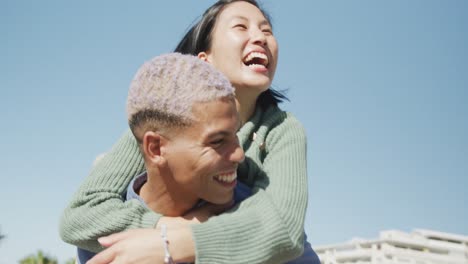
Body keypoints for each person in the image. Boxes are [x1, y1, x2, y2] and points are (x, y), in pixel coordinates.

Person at [61, 1, 317, 263]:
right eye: (241, 26)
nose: (260, 38)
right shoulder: (162, 120)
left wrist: (177, 242)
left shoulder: (283, 129)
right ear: (203, 61)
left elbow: (284, 227)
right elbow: (81, 214)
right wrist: (166, 226)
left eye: (267, 31)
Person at [77, 53, 245, 263]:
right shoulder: (101, 239)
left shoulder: (252, 213)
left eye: (235, 134)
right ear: (156, 148)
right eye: (217, 141)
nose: (240, 155)